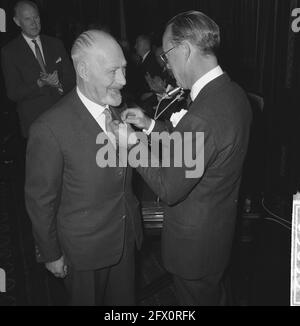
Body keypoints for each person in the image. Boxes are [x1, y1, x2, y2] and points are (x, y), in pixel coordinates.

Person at [110, 11, 252, 305]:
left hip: (195, 247)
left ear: (185, 50)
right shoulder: (232, 93)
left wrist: (131, 145)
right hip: (217, 232)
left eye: (167, 57)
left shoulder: (203, 115)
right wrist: (150, 125)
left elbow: (169, 187)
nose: (167, 66)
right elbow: (199, 143)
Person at [25, 29, 143, 306]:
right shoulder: (49, 128)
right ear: (84, 71)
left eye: (124, 70)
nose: (123, 81)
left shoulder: (118, 109)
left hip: (125, 240)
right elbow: (41, 201)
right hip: (83, 254)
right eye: (113, 71)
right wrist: (51, 253)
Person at [1, 1, 75, 138]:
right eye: (27, 19)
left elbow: (72, 78)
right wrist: (39, 84)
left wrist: (59, 83)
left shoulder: (56, 44)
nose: (34, 23)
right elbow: (13, 93)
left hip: (64, 115)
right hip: (35, 122)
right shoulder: (9, 52)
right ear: (17, 22)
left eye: (36, 17)